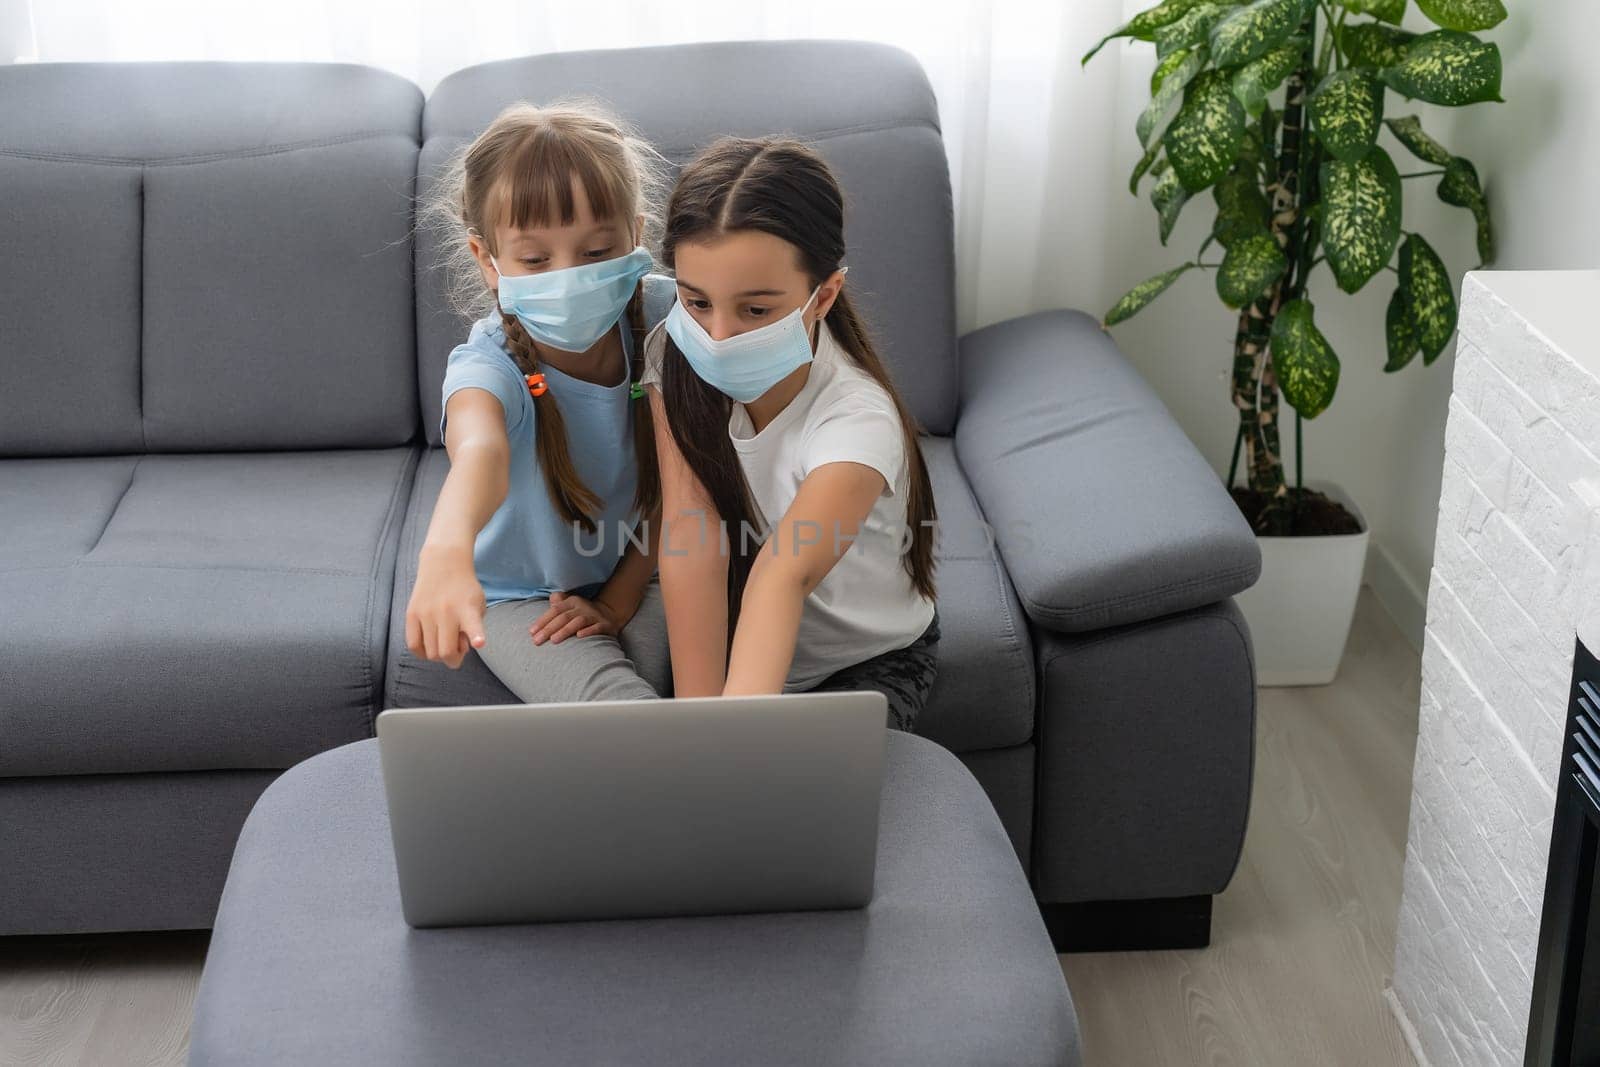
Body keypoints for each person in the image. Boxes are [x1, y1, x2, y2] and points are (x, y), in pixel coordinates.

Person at [643, 137, 940, 731]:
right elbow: (689, 532)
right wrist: (699, 729)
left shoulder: (857, 417)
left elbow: (784, 573)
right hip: (737, 635)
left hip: (864, 666)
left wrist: (730, 746)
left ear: (823, 295)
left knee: (785, 811)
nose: (719, 336)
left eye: (755, 310)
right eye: (696, 300)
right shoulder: (674, 353)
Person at [405, 100, 673, 701]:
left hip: (643, 567)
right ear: (487, 260)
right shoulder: (488, 364)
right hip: (521, 599)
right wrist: (445, 551)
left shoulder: (669, 316)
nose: (568, 274)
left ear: (636, 234)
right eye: (535, 259)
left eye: (597, 251)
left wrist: (620, 598)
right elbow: (480, 452)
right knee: (625, 714)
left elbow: (686, 478)